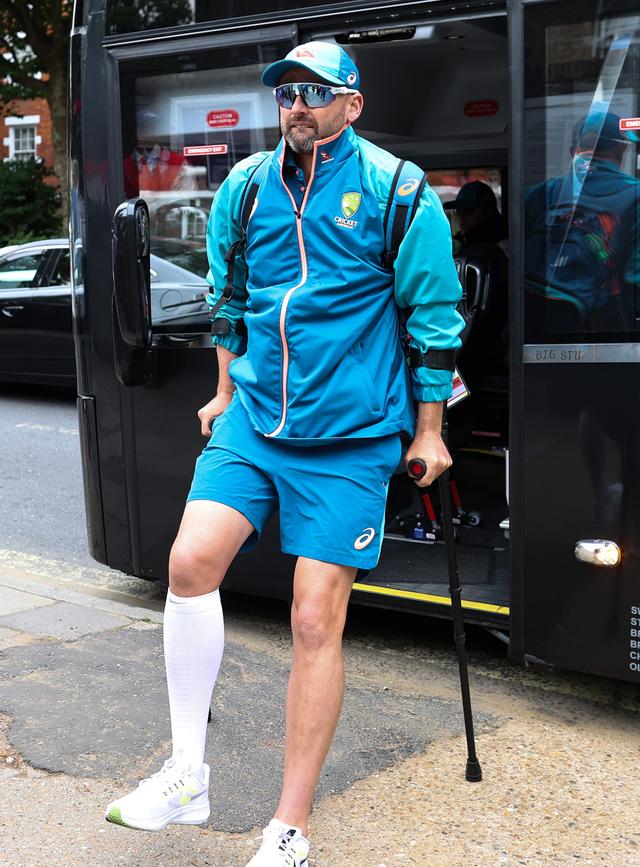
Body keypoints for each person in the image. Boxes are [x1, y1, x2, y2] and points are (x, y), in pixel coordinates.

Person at [104, 41, 464, 866]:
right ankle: (186, 775)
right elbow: (228, 299)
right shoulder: (244, 186)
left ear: (352, 105)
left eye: (315, 92)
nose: (296, 104)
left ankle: (289, 823)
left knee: (312, 616)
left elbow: (433, 317)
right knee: (189, 562)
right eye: (286, 92)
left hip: (351, 434)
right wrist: (226, 389)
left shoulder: (399, 192)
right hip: (256, 415)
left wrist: (430, 428)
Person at [524, 105, 640, 334]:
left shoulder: (539, 195)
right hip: (604, 341)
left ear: (573, 151)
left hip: (532, 335)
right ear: (621, 151)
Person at [444, 179, 507, 252]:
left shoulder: (505, 247)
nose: (461, 217)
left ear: (488, 210)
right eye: (457, 211)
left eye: (468, 210)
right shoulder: (460, 244)